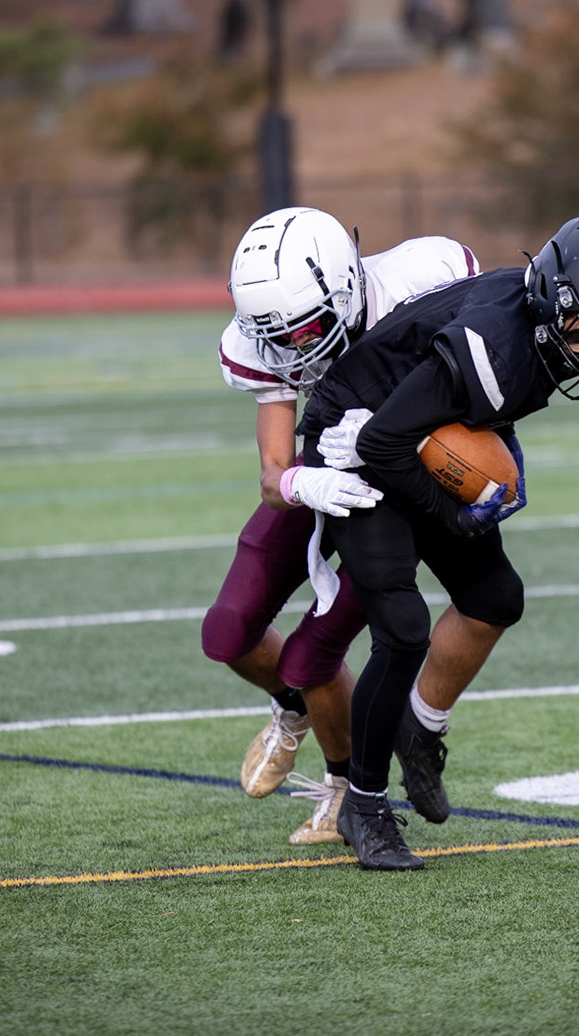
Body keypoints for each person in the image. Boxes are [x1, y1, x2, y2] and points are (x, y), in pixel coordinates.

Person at [305, 214, 579, 870]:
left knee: (495, 596)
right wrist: (452, 514)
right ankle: (364, 804)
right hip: (352, 443)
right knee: (403, 629)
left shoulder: (538, 329)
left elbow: (466, 412)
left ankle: (420, 727)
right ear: (555, 298)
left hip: (410, 432)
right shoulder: (496, 345)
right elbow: (380, 441)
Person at [205, 206, 478, 845]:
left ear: (347, 289)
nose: (294, 348)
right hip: (325, 463)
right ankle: (293, 708)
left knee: (311, 656)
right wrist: (304, 483)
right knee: (228, 631)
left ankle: (343, 786)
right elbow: (274, 476)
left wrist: (401, 436)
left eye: (304, 329)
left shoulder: (420, 282)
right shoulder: (270, 339)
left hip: (398, 486)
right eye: (277, 336)